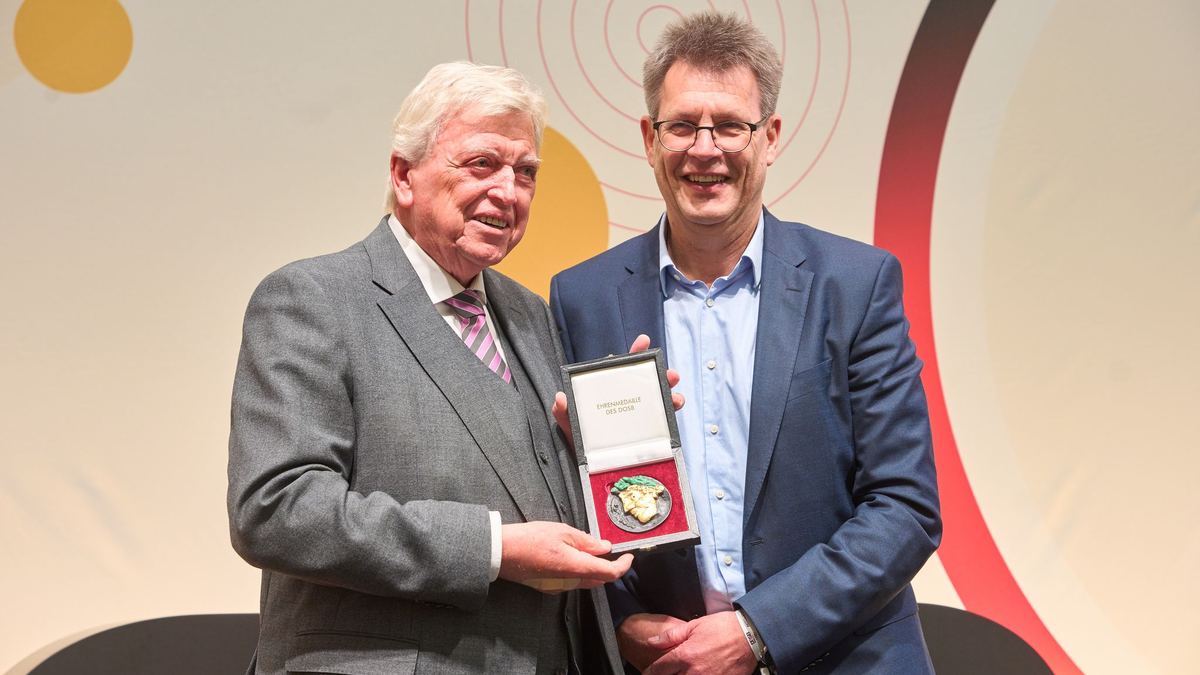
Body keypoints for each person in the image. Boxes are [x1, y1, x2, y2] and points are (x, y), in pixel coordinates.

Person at [550, 13, 941, 675]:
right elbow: (566, 501)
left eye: (731, 125)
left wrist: (756, 631)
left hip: (845, 659)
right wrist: (619, 620)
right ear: (650, 139)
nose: (705, 150)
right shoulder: (582, 298)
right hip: (669, 664)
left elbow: (905, 508)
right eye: (682, 125)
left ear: (770, 138)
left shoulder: (856, 284)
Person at [228, 61, 639, 675]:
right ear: (404, 175)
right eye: (482, 163)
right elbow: (276, 509)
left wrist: (623, 443)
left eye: (525, 172)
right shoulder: (313, 299)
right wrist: (493, 549)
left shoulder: (530, 314)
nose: (509, 191)